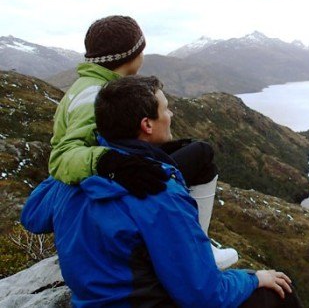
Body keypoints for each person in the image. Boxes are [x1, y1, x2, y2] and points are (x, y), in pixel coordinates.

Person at [22, 75, 302, 307]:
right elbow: (204, 296)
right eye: (166, 109)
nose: (172, 114)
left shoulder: (74, 175)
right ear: (147, 125)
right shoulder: (157, 190)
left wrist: (83, 157)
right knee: (279, 291)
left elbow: (32, 216)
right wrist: (254, 278)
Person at [47, 15, 238, 268]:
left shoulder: (89, 85)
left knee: (188, 149)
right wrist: (112, 163)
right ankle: (195, 251)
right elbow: (61, 159)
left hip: (104, 181)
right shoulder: (93, 95)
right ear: (134, 54)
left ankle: (191, 242)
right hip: (103, 187)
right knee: (202, 156)